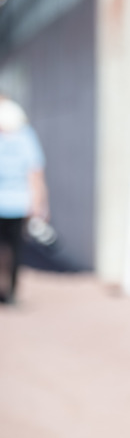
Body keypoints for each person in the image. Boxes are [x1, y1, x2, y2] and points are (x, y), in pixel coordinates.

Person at [0, 96, 49, 305]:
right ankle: (10, 292)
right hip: (19, 203)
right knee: (15, 249)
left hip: (11, 203)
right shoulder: (25, 136)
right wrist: (39, 203)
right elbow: (35, 172)